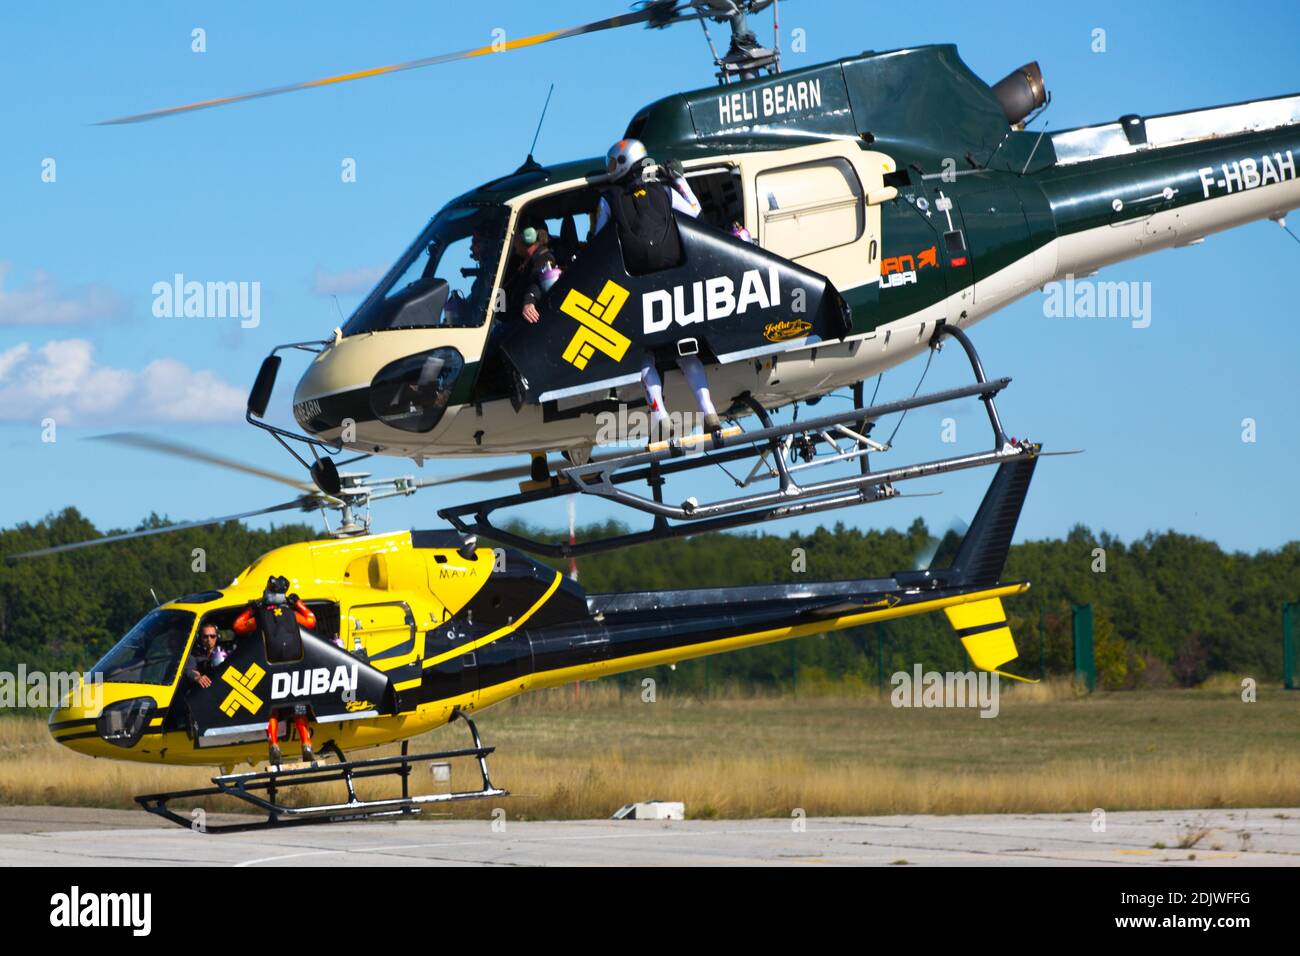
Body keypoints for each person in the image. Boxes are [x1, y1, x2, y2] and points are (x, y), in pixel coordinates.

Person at [596, 139, 720, 436]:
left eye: (614, 163)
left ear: (625, 162)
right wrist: (679, 179)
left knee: (643, 356)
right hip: (673, 281)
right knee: (686, 352)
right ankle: (710, 411)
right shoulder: (663, 190)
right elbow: (695, 210)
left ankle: (660, 416)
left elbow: (598, 240)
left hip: (635, 285)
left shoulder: (608, 199)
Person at [234, 575, 318, 765]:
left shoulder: (261, 617)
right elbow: (311, 620)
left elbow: (238, 626)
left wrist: (251, 610)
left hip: (271, 671)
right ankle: (306, 745)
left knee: (271, 710)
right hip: (294, 670)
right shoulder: (292, 615)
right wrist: (299, 603)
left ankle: (273, 745)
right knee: (299, 708)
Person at [506, 226, 562, 325]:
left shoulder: (545, 258)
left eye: (515, 237)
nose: (512, 242)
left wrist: (529, 301)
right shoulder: (521, 262)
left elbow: (538, 279)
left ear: (527, 237)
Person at [183, 623, 225, 690]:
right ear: (199, 638)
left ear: (217, 637)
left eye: (212, 636)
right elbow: (188, 670)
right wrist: (197, 677)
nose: (209, 639)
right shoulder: (194, 655)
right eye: (205, 636)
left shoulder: (225, 651)